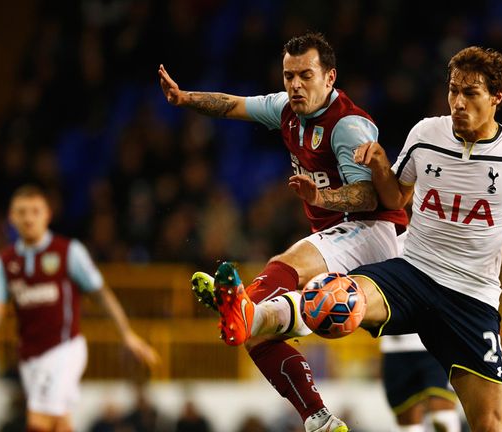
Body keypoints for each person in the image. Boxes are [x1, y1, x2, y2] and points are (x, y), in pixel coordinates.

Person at [211, 46, 502, 432]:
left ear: (496, 98)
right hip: (413, 272)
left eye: (471, 93)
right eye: (453, 90)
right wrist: (382, 164)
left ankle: (255, 316)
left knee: (491, 424)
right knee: (336, 299)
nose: (458, 102)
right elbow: (395, 197)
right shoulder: (426, 134)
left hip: (471, 299)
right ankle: (250, 317)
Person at [159, 32, 408, 432]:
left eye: (305, 75)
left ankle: (243, 305)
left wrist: (322, 197)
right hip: (338, 236)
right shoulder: (286, 108)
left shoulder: (348, 125)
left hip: (375, 231)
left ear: (329, 78)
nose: (295, 84)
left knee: (286, 263)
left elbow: (367, 195)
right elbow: (233, 105)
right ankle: (318, 419)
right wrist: (185, 99)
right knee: (255, 332)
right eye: (289, 76)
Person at [0, 185, 160, 432]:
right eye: (22, 212)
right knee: (59, 423)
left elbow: (102, 295)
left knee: (38, 420)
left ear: (47, 215)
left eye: (35, 211)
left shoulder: (69, 252)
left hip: (64, 350)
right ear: (12, 217)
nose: (29, 218)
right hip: (30, 356)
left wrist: (126, 334)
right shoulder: (4, 262)